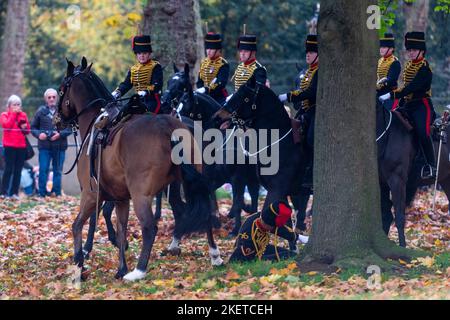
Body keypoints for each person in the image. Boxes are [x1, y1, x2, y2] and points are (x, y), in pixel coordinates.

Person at [379, 31, 436, 178]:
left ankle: (431, 165)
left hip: (421, 105)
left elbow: (410, 88)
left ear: (421, 51)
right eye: (409, 50)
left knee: (423, 132)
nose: (411, 53)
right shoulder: (409, 65)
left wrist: (391, 95)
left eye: (414, 50)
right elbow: (404, 86)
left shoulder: (425, 69)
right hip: (407, 104)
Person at [279, 34, 319, 188]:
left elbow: (311, 92)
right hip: (305, 111)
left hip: (316, 111)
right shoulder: (308, 72)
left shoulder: (318, 72)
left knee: (310, 139)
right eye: (307, 52)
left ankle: (311, 172)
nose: (308, 55)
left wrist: (289, 96)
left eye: (312, 52)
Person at [31, 88, 71, 197]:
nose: (52, 99)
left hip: (59, 146)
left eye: (54, 97)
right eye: (49, 97)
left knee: (58, 171)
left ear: (57, 98)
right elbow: (33, 127)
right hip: (44, 147)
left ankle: (57, 193)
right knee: (43, 170)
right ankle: (41, 194)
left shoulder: (63, 111)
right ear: (45, 99)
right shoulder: (40, 112)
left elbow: (70, 128)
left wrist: (60, 134)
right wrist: (39, 135)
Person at [229, 200, 298, 262]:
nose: (274, 229)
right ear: (267, 224)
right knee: (288, 256)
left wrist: (297, 237)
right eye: (273, 227)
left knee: (291, 254)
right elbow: (249, 259)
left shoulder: (263, 217)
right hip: (248, 256)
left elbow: (281, 230)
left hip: (262, 248)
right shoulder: (248, 233)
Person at [112, 35, 163, 114]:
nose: (142, 56)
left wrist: (145, 92)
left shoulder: (155, 66)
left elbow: (157, 84)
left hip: (152, 101)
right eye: (139, 53)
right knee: (122, 114)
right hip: (138, 100)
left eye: (145, 53)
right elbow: (126, 84)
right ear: (136, 55)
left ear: (149, 54)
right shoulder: (133, 69)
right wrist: (117, 92)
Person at [0, 95, 30, 199]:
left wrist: (24, 127)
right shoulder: (4, 115)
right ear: (9, 106)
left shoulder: (23, 115)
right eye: (14, 104)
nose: (17, 106)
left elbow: (27, 131)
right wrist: (13, 114)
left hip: (21, 147)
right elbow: (6, 125)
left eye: (18, 104)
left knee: (18, 170)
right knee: (8, 169)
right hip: (9, 146)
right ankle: (3, 193)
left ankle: (14, 193)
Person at [195, 32, 230, 105]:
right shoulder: (204, 62)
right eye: (207, 48)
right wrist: (202, 91)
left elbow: (221, 83)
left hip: (218, 98)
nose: (208, 51)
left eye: (211, 48)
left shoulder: (223, 64)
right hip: (203, 95)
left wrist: (206, 90)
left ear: (218, 50)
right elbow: (199, 81)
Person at [376, 32, 401, 102]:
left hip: (390, 96)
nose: (381, 49)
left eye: (384, 47)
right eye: (380, 47)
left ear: (391, 49)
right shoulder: (380, 61)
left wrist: (378, 85)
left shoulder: (395, 62)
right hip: (378, 93)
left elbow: (391, 80)